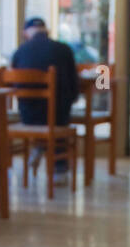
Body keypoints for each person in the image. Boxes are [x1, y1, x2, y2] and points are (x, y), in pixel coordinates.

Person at [11, 17, 79, 174]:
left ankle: (39, 145)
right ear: (46, 31)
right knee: (59, 107)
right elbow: (74, 86)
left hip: (28, 117)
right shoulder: (63, 49)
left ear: (25, 33)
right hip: (57, 117)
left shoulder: (19, 52)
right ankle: (59, 166)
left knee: (39, 109)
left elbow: (13, 86)